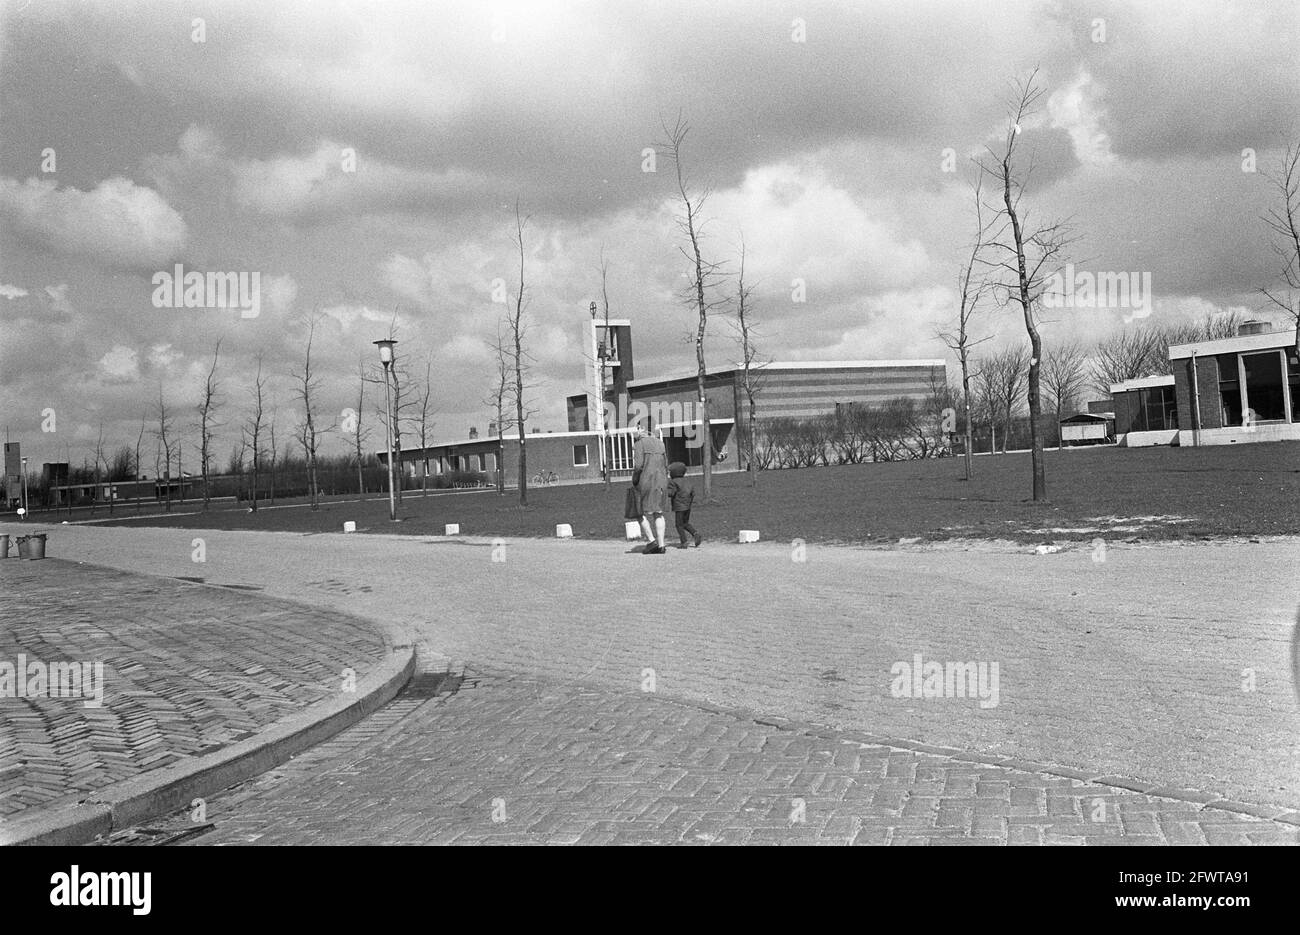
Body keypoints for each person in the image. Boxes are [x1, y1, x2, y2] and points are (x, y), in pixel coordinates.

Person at [631, 420, 669, 554]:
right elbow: (666, 464)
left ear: (642, 428)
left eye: (637, 427)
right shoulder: (661, 444)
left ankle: (652, 541)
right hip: (661, 482)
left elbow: (638, 466)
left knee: (638, 512)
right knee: (658, 512)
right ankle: (662, 545)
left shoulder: (639, 444)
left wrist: (635, 480)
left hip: (645, 481)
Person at [666, 461, 702, 548]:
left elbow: (671, 493)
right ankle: (696, 534)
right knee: (685, 523)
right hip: (687, 506)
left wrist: (663, 492)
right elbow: (693, 493)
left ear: (674, 472)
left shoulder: (672, 482)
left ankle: (684, 542)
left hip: (679, 507)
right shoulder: (687, 481)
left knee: (679, 525)